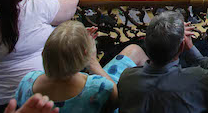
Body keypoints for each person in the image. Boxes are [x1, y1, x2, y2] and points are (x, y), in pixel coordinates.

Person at [15, 20, 148, 113]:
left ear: (44, 54)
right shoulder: (99, 87)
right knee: (134, 50)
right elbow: (117, 101)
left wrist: (75, 42)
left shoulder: (28, 81)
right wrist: (93, 62)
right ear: (86, 57)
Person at [118, 10, 208, 113]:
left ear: (145, 42)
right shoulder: (198, 78)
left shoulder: (126, 78)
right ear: (182, 46)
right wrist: (191, 48)